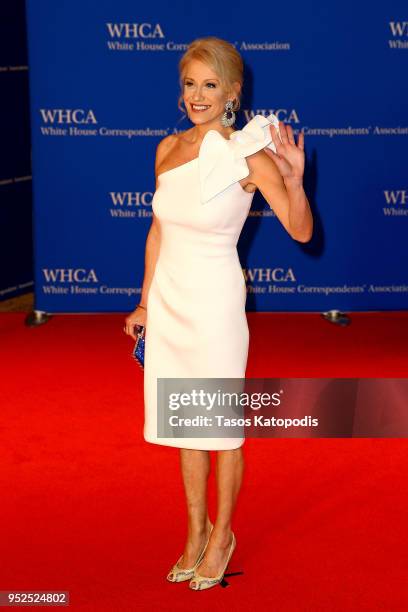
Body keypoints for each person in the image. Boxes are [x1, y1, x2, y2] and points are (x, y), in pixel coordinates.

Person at [124, 36, 313, 591]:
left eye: (210, 85)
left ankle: (223, 535)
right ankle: (194, 532)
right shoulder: (166, 149)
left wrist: (295, 182)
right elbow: (158, 230)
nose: (197, 95)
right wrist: (143, 302)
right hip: (171, 301)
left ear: (233, 92)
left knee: (222, 429)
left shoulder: (246, 154)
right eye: (189, 84)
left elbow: (301, 230)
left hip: (215, 304)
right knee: (186, 425)